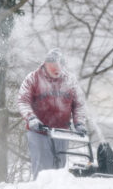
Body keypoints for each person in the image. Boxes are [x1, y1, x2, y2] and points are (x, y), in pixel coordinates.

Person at [17, 48, 87, 180]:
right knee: (42, 171)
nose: (56, 69)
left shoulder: (70, 80)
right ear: (45, 64)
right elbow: (23, 101)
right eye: (52, 66)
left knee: (59, 170)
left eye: (59, 66)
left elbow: (79, 104)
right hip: (39, 132)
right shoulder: (33, 79)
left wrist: (79, 122)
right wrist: (31, 118)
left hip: (61, 132)